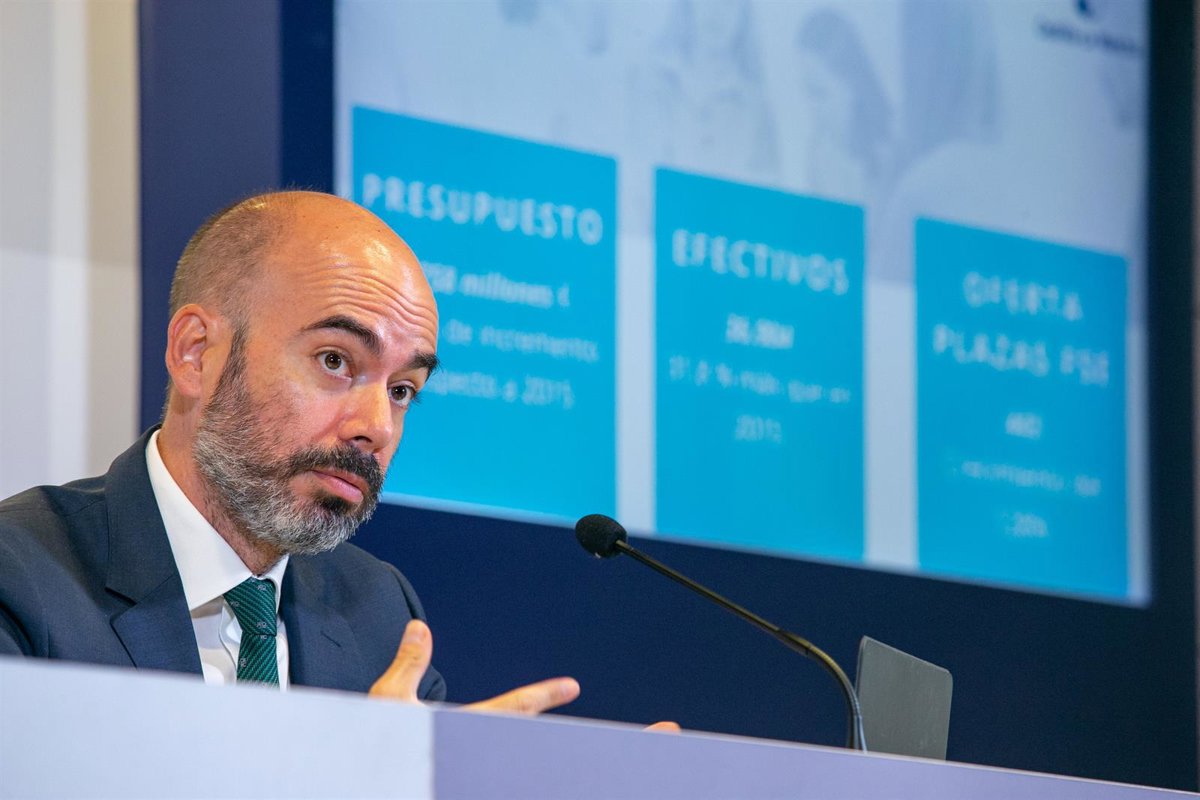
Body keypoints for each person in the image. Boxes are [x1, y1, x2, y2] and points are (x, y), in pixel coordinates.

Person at [0, 190, 581, 715]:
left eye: (402, 390)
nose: (376, 427)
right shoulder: (21, 578)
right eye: (335, 360)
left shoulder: (380, 614)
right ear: (196, 353)